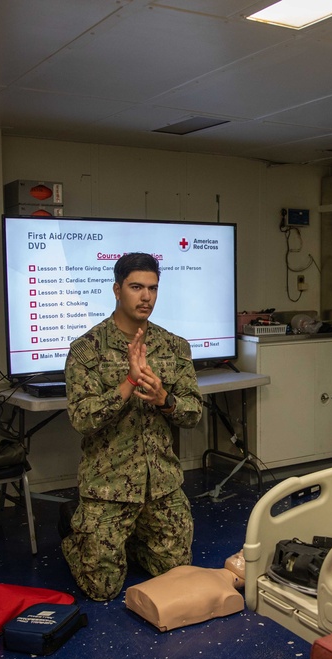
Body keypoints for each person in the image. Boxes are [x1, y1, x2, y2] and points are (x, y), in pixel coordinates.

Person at [62, 252, 203, 601]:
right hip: (108, 487)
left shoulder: (174, 347)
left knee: (177, 571)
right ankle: (76, 537)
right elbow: (82, 419)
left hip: (161, 486)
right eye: (136, 287)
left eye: (153, 288)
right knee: (102, 590)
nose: (146, 297)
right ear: (116, 289)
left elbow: (193, 413)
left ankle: (135, 540)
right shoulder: (85, 350)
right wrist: (128, 384)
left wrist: (163, 399)